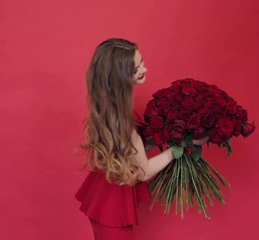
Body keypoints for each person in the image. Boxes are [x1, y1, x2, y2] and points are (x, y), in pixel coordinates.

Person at [75, 38, 208, 240]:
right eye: (136, 68)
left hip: (102, 200)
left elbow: (129, 153)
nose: (144, 68)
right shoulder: (122, 122)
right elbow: (144, 172)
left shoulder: (110, 109)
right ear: (120, 77)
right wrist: (179, 147)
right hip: (112, 211)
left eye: (142, 62)